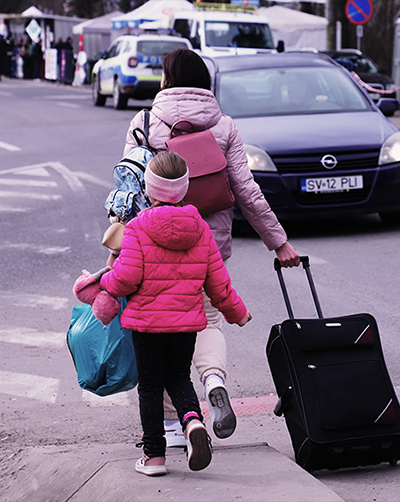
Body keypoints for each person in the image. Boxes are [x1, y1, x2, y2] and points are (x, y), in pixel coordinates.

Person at [120, 48, 300, 448]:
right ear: (205, 83)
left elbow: (128, 189)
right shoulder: (224, 126)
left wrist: (119, 250)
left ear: (165, 81)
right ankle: (214, 379)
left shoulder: (145, 122)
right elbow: (247, 191)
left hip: (150, 244)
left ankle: (171, 426)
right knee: (208, 320)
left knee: (159, 327)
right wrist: (279, 242)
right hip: (207, 244)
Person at [100, 151, 253, 476]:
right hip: (185, 325)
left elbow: (126, 277)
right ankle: (193, 422)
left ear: (150, 191)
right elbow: (218, 282)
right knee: (180, 378)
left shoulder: (138, 227)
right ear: (183, 190)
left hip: (147, 324)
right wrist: (237, 312)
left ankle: (154, 457)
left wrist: (105, 283)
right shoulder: (199, 228)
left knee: (151, 387)